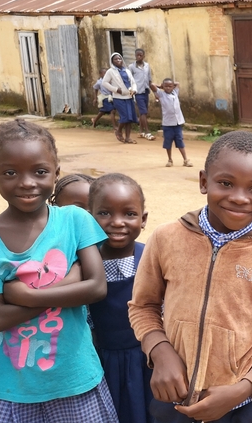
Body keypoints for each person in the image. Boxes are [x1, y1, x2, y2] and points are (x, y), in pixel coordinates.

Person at [129, 131, 252, 423]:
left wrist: (245, 388)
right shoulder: (166, 238)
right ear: (203, 182)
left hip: (242, 408)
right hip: (172, 399)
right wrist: (159, 351)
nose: (238, 198)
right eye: (225, 183)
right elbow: (142, 306)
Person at [0, 119, 117, 422]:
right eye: (10, 172)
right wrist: (70, 282)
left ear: (56, 173)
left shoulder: (75, 221)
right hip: (11, 386)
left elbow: (97, 287)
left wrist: (26, 296)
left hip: (74, 377)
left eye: (40, 171)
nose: (27, 182)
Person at [88, 173, 154, 423]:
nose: (117, 222)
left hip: (146, 360)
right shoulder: (85, 262)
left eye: (129, 214)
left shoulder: (151, 258)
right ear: (89, 217)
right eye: (104, 213)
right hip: (101, 361)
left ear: (143, 219)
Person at [153, 79, 192, 167]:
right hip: (167, 124)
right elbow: (152, 85)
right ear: (163, 87)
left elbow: (177, 83)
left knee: (180, 141)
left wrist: (171, 84)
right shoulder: (161, 94)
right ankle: (170, 160)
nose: (168, 88)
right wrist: (160, 86)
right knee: (168, 142)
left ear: (173, 87)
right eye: (166, 86)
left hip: (177, 123)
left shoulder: (175, 93)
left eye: (170, 86)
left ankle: (185, 160)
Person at [103, 52, 138, 144]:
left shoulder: (127, 71)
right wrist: (115, 89)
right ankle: (118, 130)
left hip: (129, 97)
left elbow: (133, 82)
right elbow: (104, 83)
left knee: (130, 118)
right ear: (112, 61)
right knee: (125, 117)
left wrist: (134, 90)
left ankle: (128, 137)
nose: (118, 60)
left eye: (119, 59)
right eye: (116, 59)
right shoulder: (110, 71)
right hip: (119, 98)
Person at [129, 49, 157, 141]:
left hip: (145, 91)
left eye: (141, 55)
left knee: (143, 112)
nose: (139, 57)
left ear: (144, 56)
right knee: (143, 112)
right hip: (137, 92)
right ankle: (148, 132)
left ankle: (141, 131)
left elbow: (149, 79)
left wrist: (154, 92)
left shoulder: (147, 66)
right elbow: (130, 80)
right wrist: (131, 90)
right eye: (137, 55)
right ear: (135, 56)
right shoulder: (131, 67)